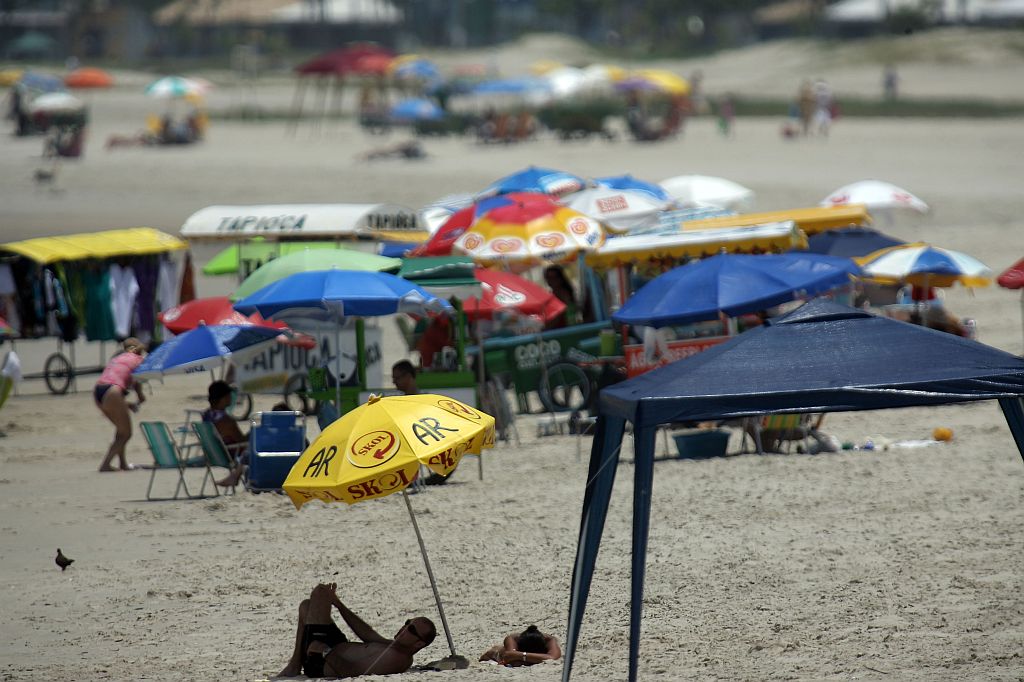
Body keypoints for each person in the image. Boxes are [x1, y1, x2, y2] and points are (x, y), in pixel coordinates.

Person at [277, 582, 436, 678]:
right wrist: (338, 604)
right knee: (308, 605)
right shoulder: (395, 646)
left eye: (411, 629)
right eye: (407, 623)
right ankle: (295, 665)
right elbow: (366, 633)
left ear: (418, 644)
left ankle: (294, 666)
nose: (405, 628)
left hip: (323, 661)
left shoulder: (397, 658)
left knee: (319, 593)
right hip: (335, 646)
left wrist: (325, 651)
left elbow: (353, 672)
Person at [95, 337, 147, 472]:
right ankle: (105, 464)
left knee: (120, 430)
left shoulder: (118, 358)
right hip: (113, 391)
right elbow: (138, 387)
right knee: (126, 434)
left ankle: (123, 463)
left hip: (98, 391)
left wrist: (128, 405)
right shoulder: (139, 360)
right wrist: (141, 399)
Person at [202, 380, 248, 486]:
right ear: (223, 398)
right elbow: (242, 441)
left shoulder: (207, 416)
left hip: (215, 452)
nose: (232, 398)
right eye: (229, 395)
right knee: (256, 441)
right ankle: (235, 477)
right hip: (232, 454)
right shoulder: (227, 421)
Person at [479, 625, 561, 667]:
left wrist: (522, 656)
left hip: (519, 654)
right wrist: (533, 658)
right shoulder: (513, 638)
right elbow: (509, 656)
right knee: (495, 652)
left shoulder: (549, 640)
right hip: (498, 653)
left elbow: (553, 657)